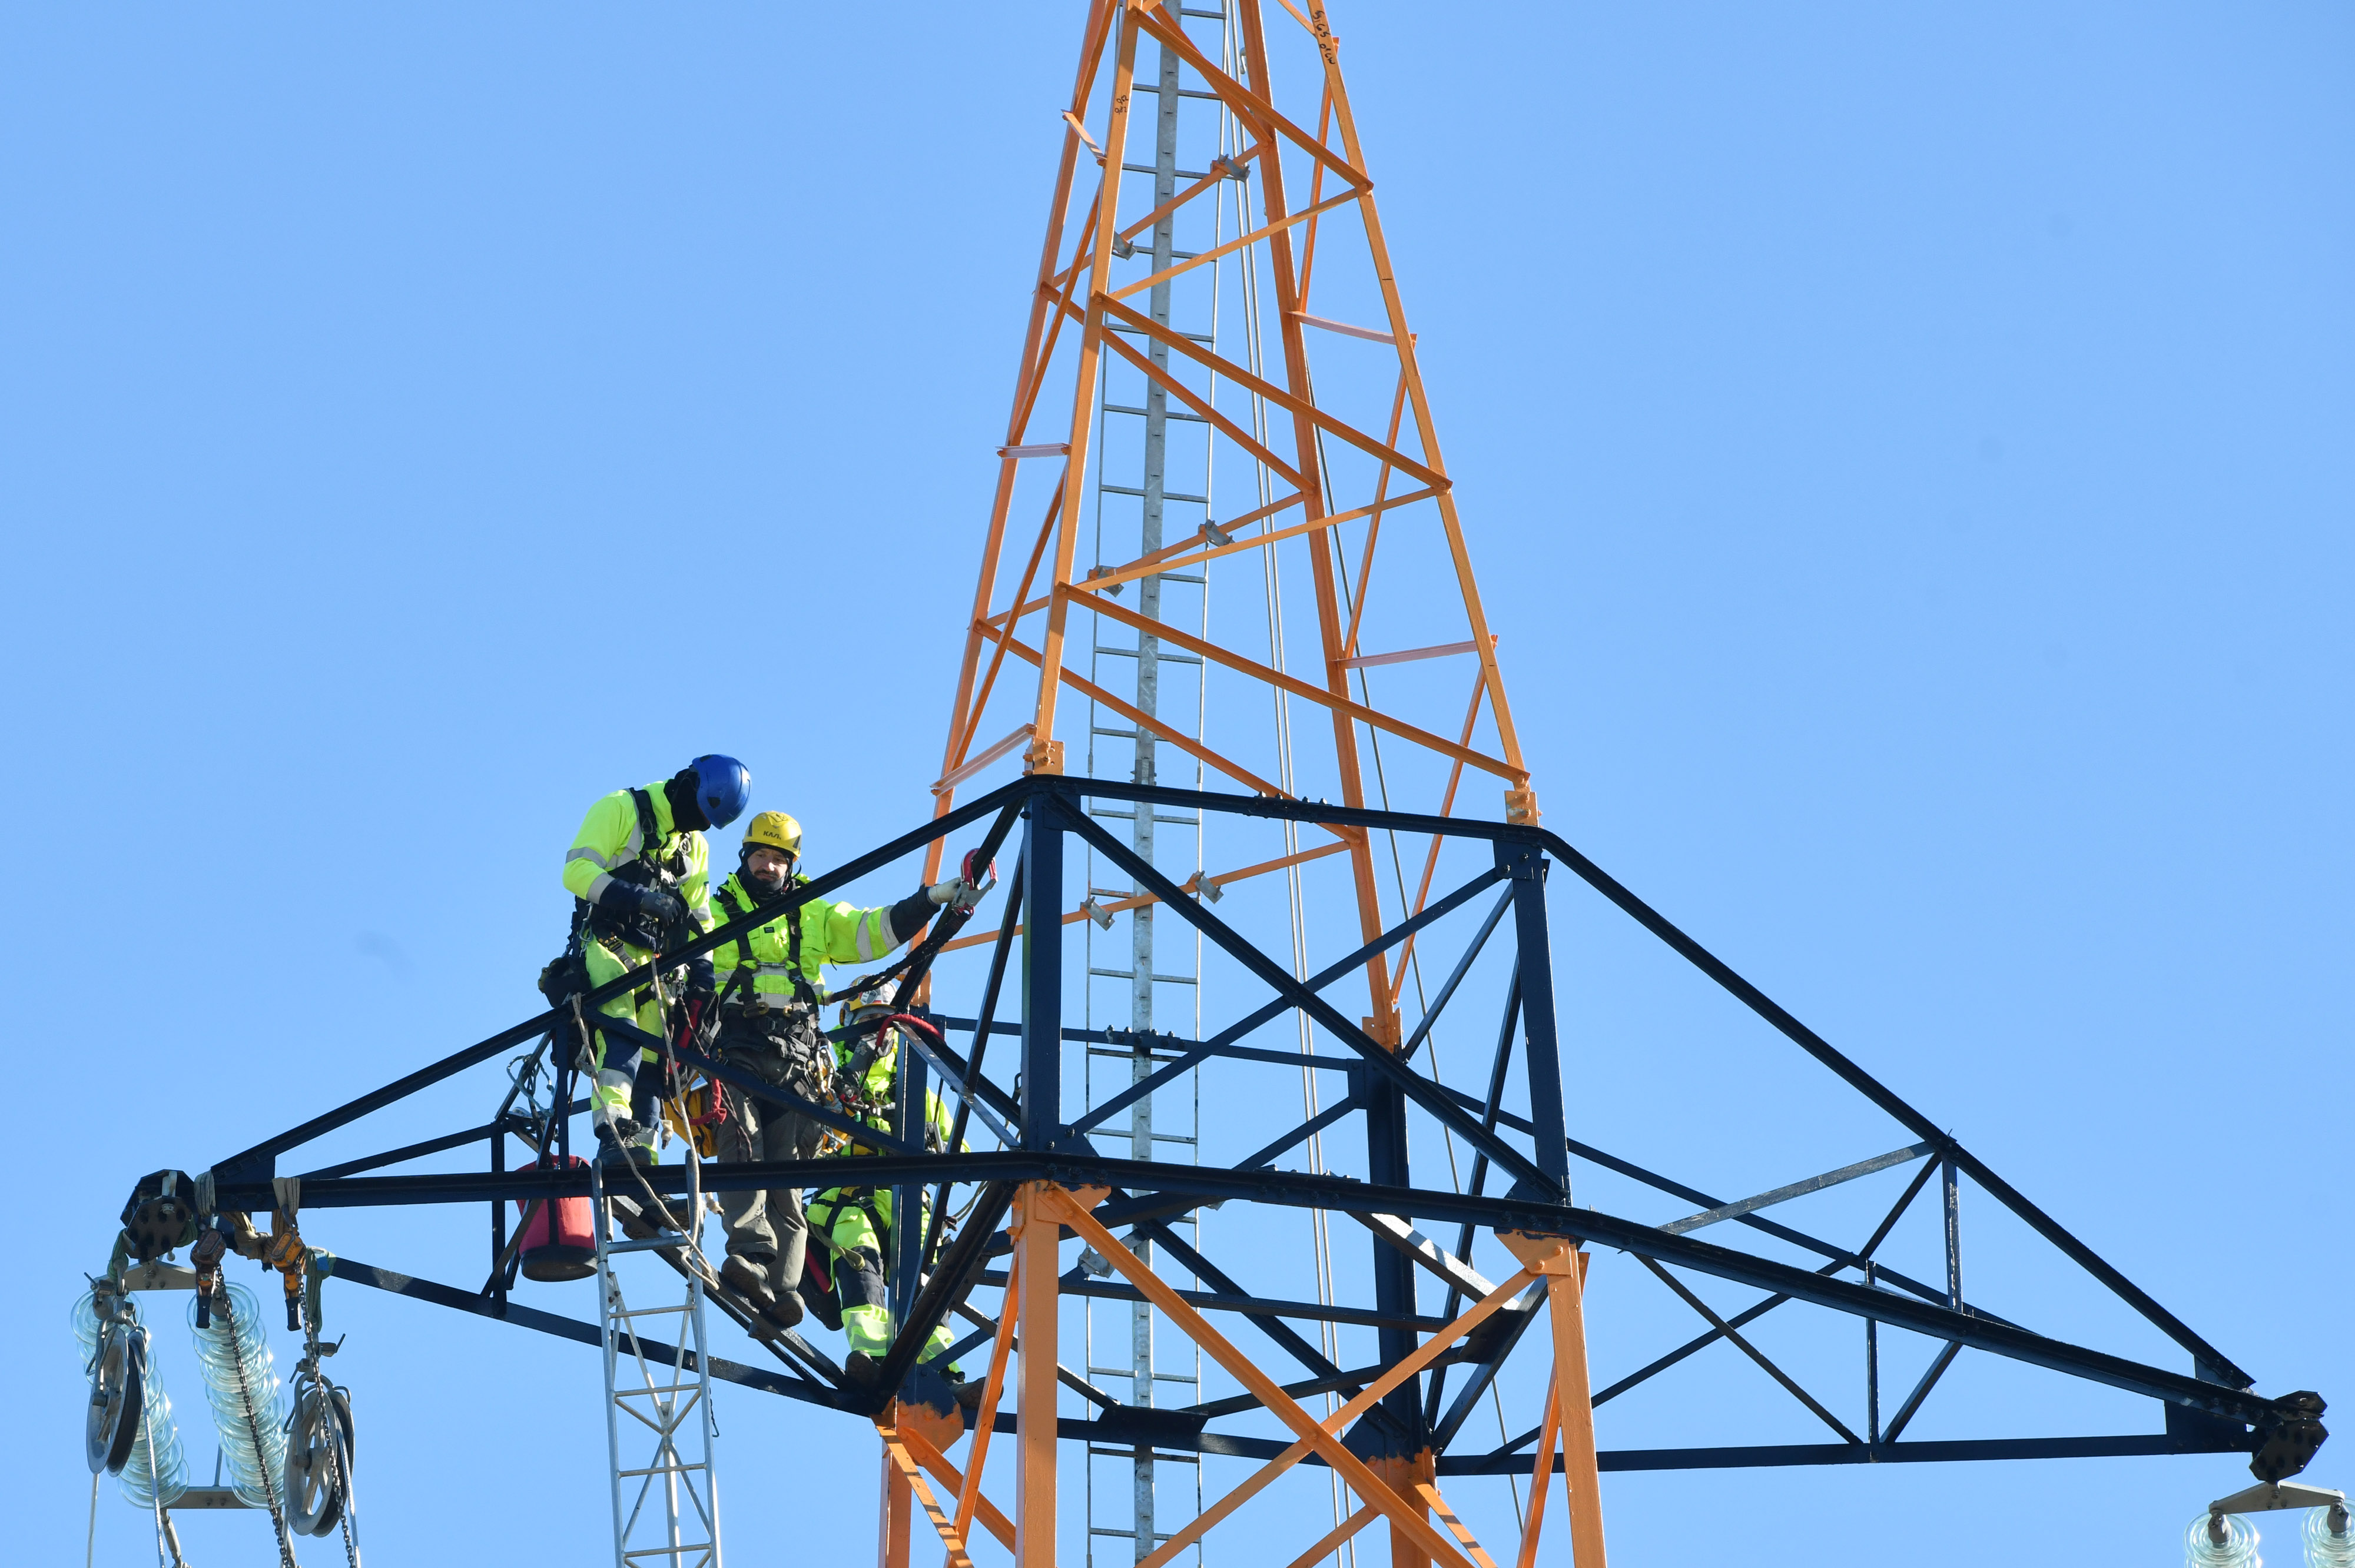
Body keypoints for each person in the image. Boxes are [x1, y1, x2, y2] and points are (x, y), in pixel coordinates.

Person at [703, 810, 990, 1332]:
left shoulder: (809, 914)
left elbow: (869, 932)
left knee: (788, 1177)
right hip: (737, 1049)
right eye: (760, 857)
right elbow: (679, 956)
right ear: (745, 857)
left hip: (794, 1057)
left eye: (778, 860)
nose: (768, 867)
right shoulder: (715, 911)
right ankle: (749, 1258)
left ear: (792, 865)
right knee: (742, 1147)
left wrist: (931, 899)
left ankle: (783, 1289)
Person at [555, 756, 751, 1169]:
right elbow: (575, 872)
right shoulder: (620, 808)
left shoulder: (694, 845)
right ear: (686, 783)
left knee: (656, 1059)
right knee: (620, 1033)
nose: (696, 822)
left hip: (662, 967)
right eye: (696, 811)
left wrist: (703, 975)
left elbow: (700, 917)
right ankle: (613, 1132)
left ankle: (642, 1158)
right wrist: (637, 898)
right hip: (610, 945)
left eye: (705, 820)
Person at [803, 1001, 961, 1389]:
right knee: (859, 1250)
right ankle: (872, 1355)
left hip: (907, 1198)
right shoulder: (826, 1078)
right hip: (848, 1195)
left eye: (882, 1021)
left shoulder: (917, 1088)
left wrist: (934, 1145)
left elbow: (960, 1158)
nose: (876, 1031)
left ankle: (943, 1372)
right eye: (867, 1022)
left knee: (924, 1268)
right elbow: (803, 1137)